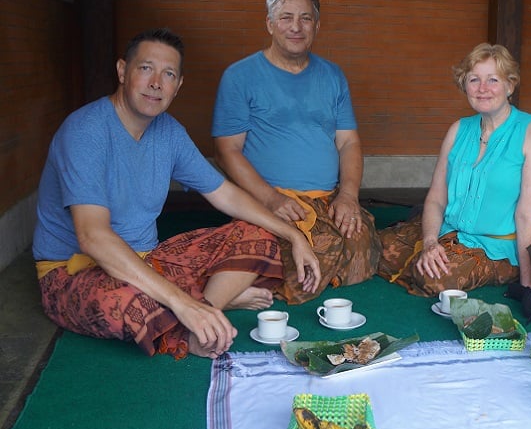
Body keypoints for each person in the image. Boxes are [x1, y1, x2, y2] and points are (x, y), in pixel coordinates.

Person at [33, 28, 322, 360]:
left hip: (149, 261)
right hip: (75, 273)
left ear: (178, 85)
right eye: (146, 68)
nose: (156, 82)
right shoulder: (85, 131)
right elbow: (93, 237)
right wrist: (181, 301)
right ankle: (202, 309)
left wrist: (293, 235)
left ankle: (204, 313)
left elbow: (225, 194)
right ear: (123, 71)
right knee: (129, 304)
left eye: (168, 74)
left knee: (258, 235)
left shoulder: (169, 132)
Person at [212, 0, 380, 304]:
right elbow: (226, 151)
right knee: (298, 254)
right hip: (271, 199)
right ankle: (237, 287)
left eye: (305, 18)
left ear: (317, 25)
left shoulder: (333, 75)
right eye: (286, 17)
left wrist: (348, 195)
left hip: (326, 199)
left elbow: (348, 143)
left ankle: (266, 277)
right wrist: (271, 199)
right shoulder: (240, 76)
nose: (296, 27)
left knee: (361, 243)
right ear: (270, 24)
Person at [378, 43, 531, 296]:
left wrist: (527, 280)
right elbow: (436, 198)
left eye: (493, 79)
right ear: (465, 86)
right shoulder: (458, 129)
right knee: (378, 248)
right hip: (452, 233)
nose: (483, 88)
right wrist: (429, 242)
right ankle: (428, 253)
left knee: (435, 277)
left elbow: (527, 214)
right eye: (474, 79)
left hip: (499, 248)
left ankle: (426, 264)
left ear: (510, 85)